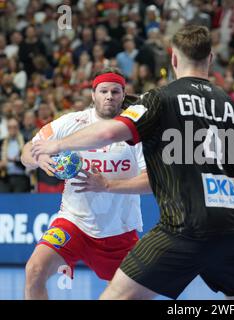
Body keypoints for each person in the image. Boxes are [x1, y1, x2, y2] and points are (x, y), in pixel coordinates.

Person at [31, 25, 234, 300]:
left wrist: (57, 144)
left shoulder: (160, 100)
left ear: (174, 59)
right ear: (211, 59)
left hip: (183, 226)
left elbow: (108, 131)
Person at [21, 67, 151, 299]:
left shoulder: (137, 131)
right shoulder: (72, 122)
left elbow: (151, 182)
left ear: (123, 95)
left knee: (134, 294)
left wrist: (107, 185)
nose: (109, 96)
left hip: (118, 231)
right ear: (93, 94)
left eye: (115, 91)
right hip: (73, 223)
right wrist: (40, 158)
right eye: (103, 91)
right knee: (34, 270)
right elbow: (27, 151)